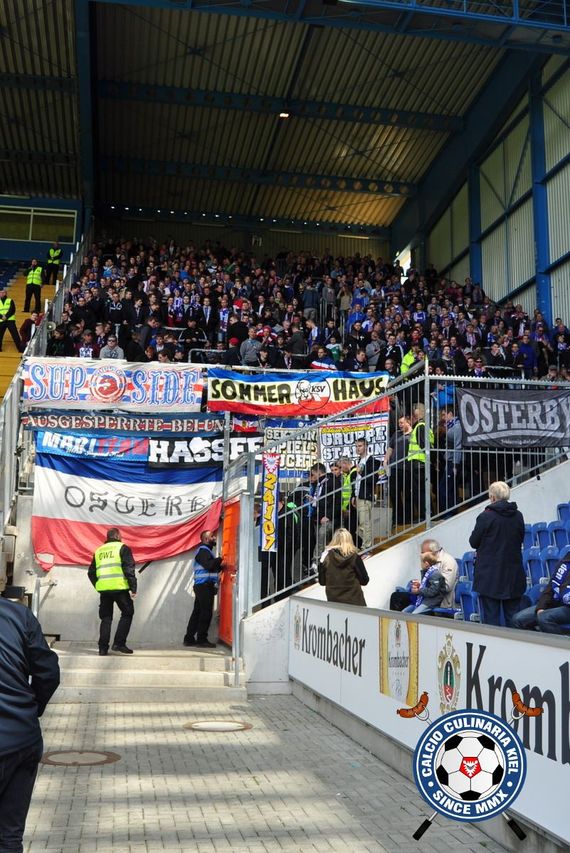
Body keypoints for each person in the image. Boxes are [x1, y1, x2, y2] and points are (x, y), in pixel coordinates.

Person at [0, 595, 60, 852]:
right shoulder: (17, 614)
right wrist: (31, 710)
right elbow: (48, 672)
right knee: (10, 836)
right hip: (24, 738)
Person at [469, 481, 526, 626]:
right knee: (513, 621)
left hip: (490, 577)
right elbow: (521, 538)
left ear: (492, 497)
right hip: (513, 576)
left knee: (491, 621)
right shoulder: (518, 515)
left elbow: (474, 542)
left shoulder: (486, 517)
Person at [88, 527, 137, 655]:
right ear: (117, 536)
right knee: (128, 612)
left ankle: (102, 649)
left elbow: (91, 572)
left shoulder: (99, 551)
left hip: (104, 590)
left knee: (106, 618)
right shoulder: (122, 548)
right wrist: (133, 587)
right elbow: (129, 569)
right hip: (120, 588)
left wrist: (98, 585)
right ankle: (119, 643)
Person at [511, 554, 570, 634]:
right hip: (556, 603)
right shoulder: (565, 562)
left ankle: (560, 644)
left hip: (568, 607)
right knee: (518, 619)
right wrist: (541, 607)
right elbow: (550, 587)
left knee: (544, 618)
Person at [183, 530, 223, 648]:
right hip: (204, 587)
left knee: (197, 613)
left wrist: (220, 567)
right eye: (212, 536)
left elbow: (210, 568)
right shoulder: (203, 551)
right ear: (206, 539)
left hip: (203, 586)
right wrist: (220, 559)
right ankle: (201, 639)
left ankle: (189, 638)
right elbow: (209, 565)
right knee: (205, 613)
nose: (214, 538)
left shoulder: (206, 552)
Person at [401, 539, 458, 614]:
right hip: (426, 597)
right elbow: (429, 582)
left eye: (423, 553)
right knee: (403, 611)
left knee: (414, 616)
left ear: (432, 552)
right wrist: (420, 585)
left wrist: (420, 590)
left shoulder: (448, 561)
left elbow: (446, 587)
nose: (421, 555)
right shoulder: (430, 563)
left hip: (441, 601)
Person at [318, 527, 369, 606]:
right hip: (355, 603)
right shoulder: (354, 557)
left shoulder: (327, 558)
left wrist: (321, 563)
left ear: (334, 540)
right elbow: (364, 581)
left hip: (334, 603)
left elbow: (322, 582)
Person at [406, 402, 434, 523]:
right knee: (422, 490)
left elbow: (424, 445)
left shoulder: (420, 426)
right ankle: (428, 514)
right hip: (421, 463)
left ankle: (425, 515)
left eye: (415, 410)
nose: (413, 414)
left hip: (419, 463)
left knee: (420, 491)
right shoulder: (424, 426)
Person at [352, 437, 379, 550]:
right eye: (356, 446)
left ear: (366, 446)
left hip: (366, 496)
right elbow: (356, 481)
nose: (358, 448)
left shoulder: (373, 461)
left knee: (364, 523)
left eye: (360, 446)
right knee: (361, 525)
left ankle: (366, 547)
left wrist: (362, 472)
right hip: (358, 496)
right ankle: (366, 545)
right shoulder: (359, 461)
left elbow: (373, 479)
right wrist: (354, 495)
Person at [0, 286, 23, 352]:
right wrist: (1, 317)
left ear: (5, 293)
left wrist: (6, 316)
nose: (0, 294)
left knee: (15, 335)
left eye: (2, 292)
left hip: (10, 320)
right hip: (1, 320)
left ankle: (20, 349)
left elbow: (12, 310)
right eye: (0, 292)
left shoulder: (10, 300)